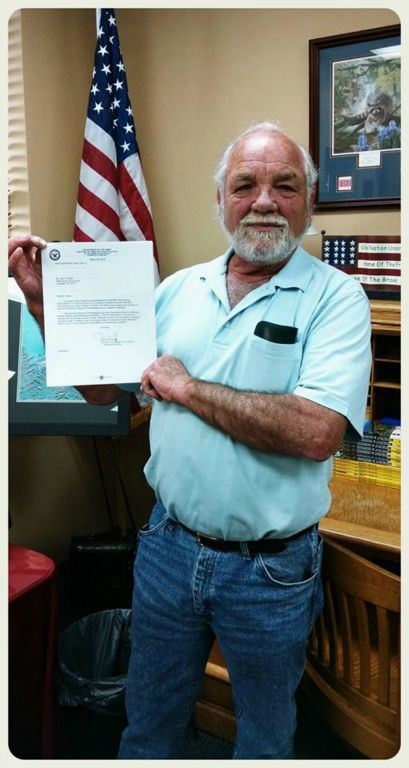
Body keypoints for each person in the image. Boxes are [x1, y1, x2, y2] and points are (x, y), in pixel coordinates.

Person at [9, 121, 372, 759]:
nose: (264, 200)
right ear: (221, 203)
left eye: (285, 186)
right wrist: (45, 308)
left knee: (262, 734)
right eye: (245, 185)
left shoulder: (338, 298)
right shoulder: (176, 290)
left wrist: (188, 388)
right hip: (168, 552)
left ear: (308, 203)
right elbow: (107, 391)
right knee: (148, 720)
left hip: (271, 569)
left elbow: (318, 431)